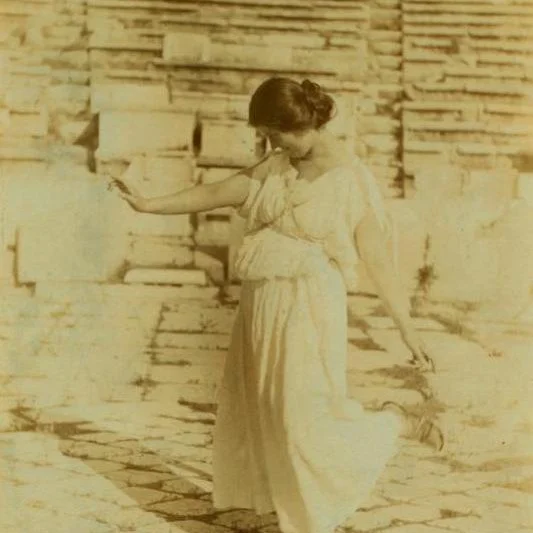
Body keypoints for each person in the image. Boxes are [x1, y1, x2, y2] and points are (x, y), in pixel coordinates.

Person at [113, 77, 444, 533]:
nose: (271, 144)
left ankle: (395, 425)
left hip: (308, 306)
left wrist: (407, 327)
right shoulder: (276, 166)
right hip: (261, 304)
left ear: (304, 123)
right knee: (268, 411)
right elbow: (217, 192)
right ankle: (288, 509)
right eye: (267, 136)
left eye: (276, 134)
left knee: (303, 420)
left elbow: (379, 262)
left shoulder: (352, 180)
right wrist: (149, 205)